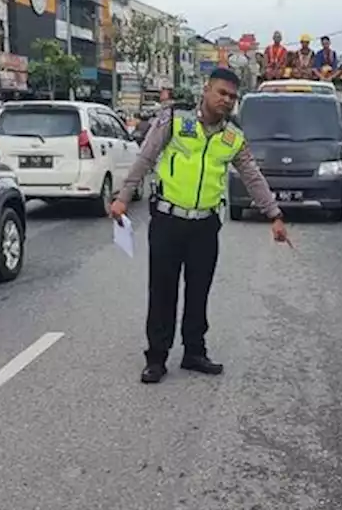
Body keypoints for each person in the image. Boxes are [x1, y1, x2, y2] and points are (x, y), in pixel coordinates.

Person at [110, 68, 292, 384]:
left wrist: (273, 214)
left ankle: (194, 352)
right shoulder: (175, 120)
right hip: (168, 220)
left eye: (233, 97)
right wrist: (123, 196)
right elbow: (146, 157)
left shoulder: (233, 137)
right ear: (206, 90)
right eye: (222, 93)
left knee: (199, 292)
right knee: (162, 291)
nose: (227, 100)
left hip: (205, 226)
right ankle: (156, 357)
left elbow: (251, 176)